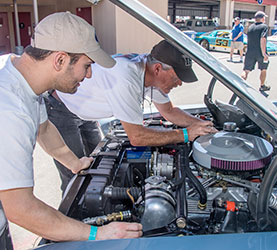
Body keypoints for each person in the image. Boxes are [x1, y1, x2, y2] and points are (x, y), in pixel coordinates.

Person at [0, 12, 142, 250]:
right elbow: (21, 208)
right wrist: (98, 233)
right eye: (86, 65)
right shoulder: (10, 110)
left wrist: (74, 163)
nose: (88, 75)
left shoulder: (18, 72)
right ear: (59, 60)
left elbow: (44, 129)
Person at [52, 40, 217, 186]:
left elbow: (169, 111)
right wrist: (186, 135)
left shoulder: (152, 74)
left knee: (95, 166)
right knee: (75, 178)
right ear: (158, 68)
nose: (180, 83)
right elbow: (137, 137)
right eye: (176, 78)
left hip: (86, 114)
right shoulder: (125, 75)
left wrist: (199, 125)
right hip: (62, 108)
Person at [44, 92, 103, 194]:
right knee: (73, 178)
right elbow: (43, 132)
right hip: (60, 109)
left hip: (86, 107)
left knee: (100, 160)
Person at [241, 11, 270, 92]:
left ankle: (240, 85)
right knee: (263, 69)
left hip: (250, 51)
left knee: (246, 70)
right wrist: (264, 53)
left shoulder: (250, 27)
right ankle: (262, 85)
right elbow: (263, 39)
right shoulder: (264, 27)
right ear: (262, 18)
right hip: (260, 52)